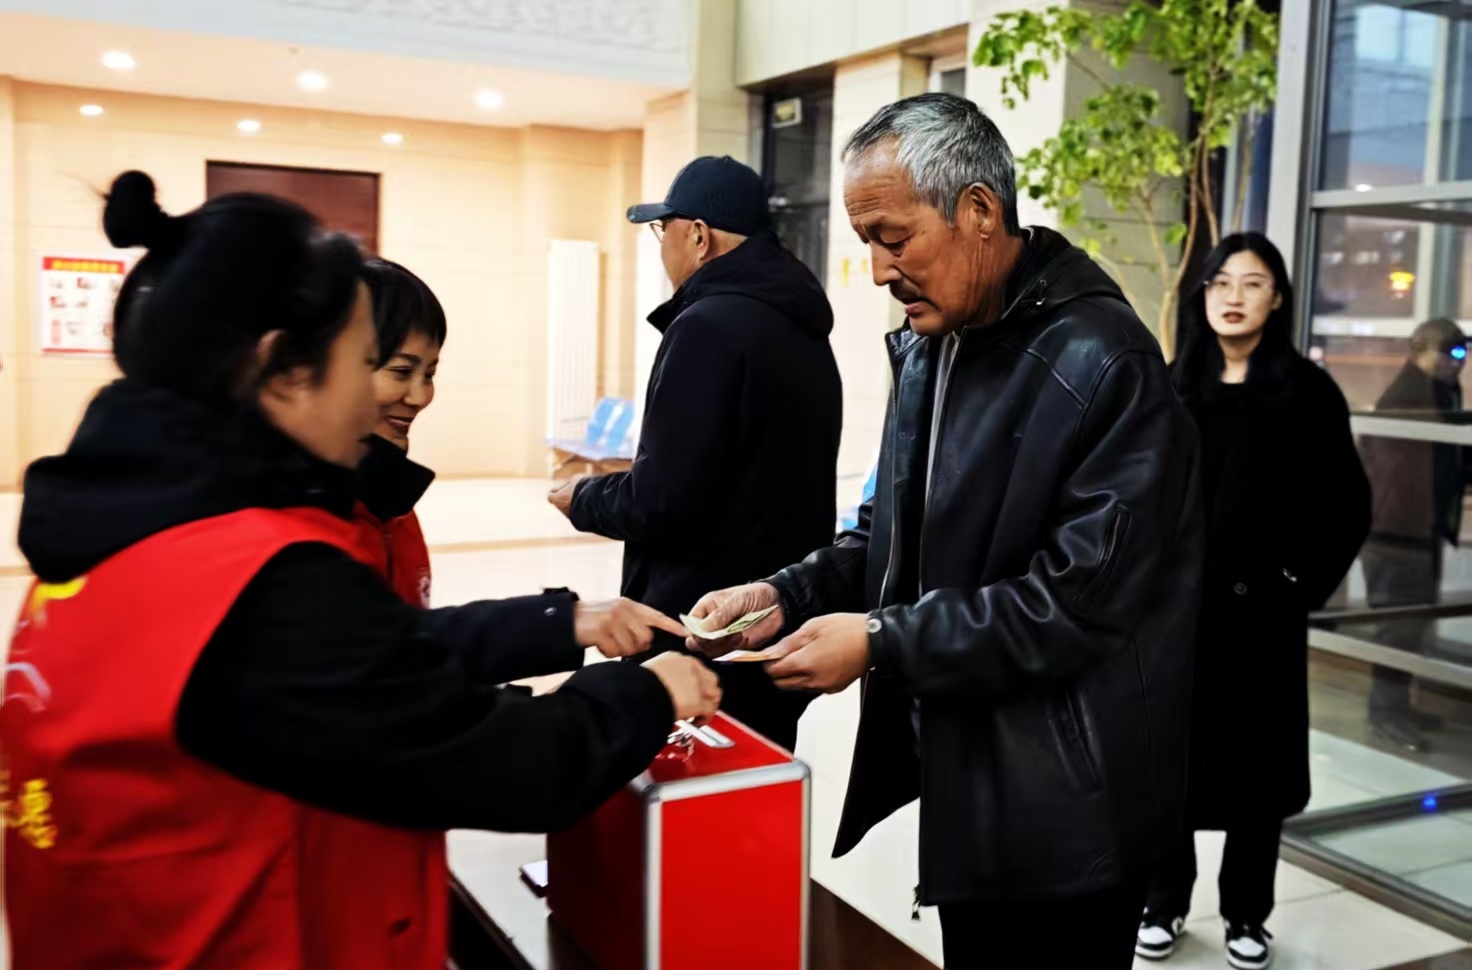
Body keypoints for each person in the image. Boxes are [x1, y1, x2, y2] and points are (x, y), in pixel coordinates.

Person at [1, 171, 721, 970]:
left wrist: (557, 623)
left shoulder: (119, 540)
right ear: (285, 369)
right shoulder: (260, 578)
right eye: (365, 361)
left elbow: (370, 666)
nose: (388, 399)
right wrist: (648, 693)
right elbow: (504, 766)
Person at [686, 93, 1203, 969]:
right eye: (867, 245)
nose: (879, 272)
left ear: (979, 211)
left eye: (893, 238)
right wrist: (785, 593)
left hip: (1072, 803)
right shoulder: (936, 343)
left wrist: (881, 641)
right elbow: (888, 531)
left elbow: (1076, 604)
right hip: (970, 774)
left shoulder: (1105, 361)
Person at [548, 155, 842, 751]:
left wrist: (583, 497)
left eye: (664, 229)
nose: (662, 246)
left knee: (688, 799)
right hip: (772, 620)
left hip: (695, 632)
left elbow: (663, 500)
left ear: (700, 236)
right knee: (757, 785)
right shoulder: (805, 331)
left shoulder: (706, 327)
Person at [1136, 233, 1371, 969]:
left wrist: (1298, 587)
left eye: (1253, 283)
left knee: (1257, 778)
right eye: (1221, 282)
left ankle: (1246, 914)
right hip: (1177, 618)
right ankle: (1163, 902)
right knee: (1170, 765)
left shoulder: (1308, 392)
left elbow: (1348, 506)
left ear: (1278, 299)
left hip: (1263, 619)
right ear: (1202, 295)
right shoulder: (1170, 386)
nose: (1233, 297)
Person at [1359, 317, 1469, 753]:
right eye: (1447, 352)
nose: (1455, 362)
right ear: (1419, 350)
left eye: (1462, 353)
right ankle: (1387, 712)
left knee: (1411, 626)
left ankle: (1397, 705)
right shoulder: (1406, 398)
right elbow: (1393, 478)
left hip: (1418, 533)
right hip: (1396, 537)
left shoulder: (1441, 392)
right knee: (1398, 628)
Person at [355, 258, 445, 608]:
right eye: (401, 371)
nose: (419, 398)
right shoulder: (299, 520)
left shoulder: (393, 504)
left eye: (429, 374)